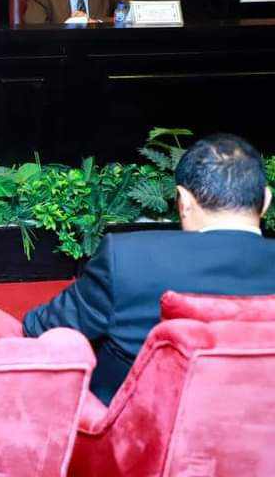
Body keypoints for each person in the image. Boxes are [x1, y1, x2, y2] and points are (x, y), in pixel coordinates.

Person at [23, 133, 275, 404]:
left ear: (183, 201)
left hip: (136, 426)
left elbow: (43, 329)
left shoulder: (127, 258)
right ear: (266, 200)